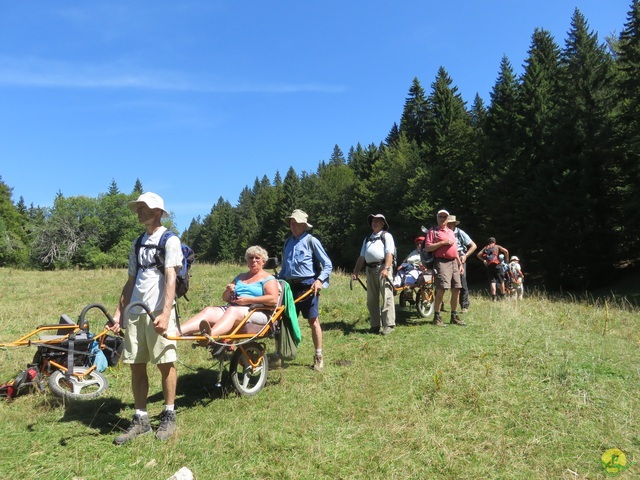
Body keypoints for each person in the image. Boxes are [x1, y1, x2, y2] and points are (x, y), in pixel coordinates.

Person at [110, 192, 183, 445]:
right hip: (135, 312)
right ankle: (141, 418)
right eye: (138, 207)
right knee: (136, 364)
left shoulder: (170, 240)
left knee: (165, 362)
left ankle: (169, 414)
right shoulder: (137, 242)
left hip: (158, 312)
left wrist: (165, 313)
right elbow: (131, 280)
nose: (138, 211)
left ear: (157, 212)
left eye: (143, 208)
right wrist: (120, 313)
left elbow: (171, 277)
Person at [179, 246, 279, 339]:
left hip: (257, 311)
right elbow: (225, 298)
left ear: (263, 261)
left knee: (232, 311)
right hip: (234, 307)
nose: (254, 260)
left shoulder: (268, 278)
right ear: (247, 261)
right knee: (208, 310)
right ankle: (177, 331)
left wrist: (249, 300)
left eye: (257, 258)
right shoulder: (240, 277)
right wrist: (228, 290)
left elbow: (273, 299)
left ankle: (210, 336)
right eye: (250, 258)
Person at [278, 209, 332, 371]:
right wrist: (277, 282)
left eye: (296, 223)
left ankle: (318, 356)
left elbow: (328, 264)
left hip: (309, 287)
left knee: (313, 321)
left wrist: (320, 280)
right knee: (283, 321)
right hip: (289, 288)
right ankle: (283, 354)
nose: (293, 226)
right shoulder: (287, 243)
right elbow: (284, 269)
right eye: (291, 223)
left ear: (303, 225)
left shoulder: (311, 241)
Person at [352, 214, 396, 335]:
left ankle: (389, 325)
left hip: (382, 268)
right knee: (371, 299)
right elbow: (362, 257)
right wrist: (356, 271)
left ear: (383, 223)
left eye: (377, 221)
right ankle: (375, 325)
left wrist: (386, 268)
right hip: (370, 270)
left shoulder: (386, 236)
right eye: (373, 221)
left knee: (386, 296)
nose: (374, 223)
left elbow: (389, 254)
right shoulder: (367, 238)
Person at [424, 209, 466, 326]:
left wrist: (460, 264)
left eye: (445, 217)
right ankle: (437, 316)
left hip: (454, 263)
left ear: (448, 219)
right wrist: (442, 243)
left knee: (457, 288)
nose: (443, 219)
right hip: (441, 262)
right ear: (437, 218)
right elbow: (427, 248)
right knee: (442, 288)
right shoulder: (433, 231)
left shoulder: (451, 232)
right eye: (440, 217)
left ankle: (454, 315)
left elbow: (455, 250)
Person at [447, 215, 476, 313]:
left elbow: (473, 246)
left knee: (462, 281)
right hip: (446, 257)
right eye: (448, 223)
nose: (450, 225)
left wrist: (465, 255)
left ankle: (464, 305)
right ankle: (440, 305)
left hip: (459, 256)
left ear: (455, 223)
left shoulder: (460, 232)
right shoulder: (443, 233)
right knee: (442, 282)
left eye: (452, 223)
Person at [477, 237, 509, 301]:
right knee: (501, 280)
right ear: (495, 241)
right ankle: (503, 295)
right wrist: (507, 260)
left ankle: (494, 297)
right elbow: (506, 251)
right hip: (498, 265)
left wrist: (484, 260)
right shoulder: (497, 246)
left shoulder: (486, 247)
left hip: (490, 266)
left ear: (488, 242)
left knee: (492, 281)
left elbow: (478, 255)